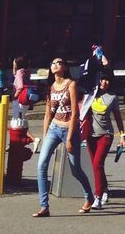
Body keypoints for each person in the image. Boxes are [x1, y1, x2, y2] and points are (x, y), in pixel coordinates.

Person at [32, 56, 95, 217]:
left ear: (65, 67)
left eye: (59, 63)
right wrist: (45, 136)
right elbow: (47, 114)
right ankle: (44, 206)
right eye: (53, 63)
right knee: (41, 165)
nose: (55, 65)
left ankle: (89, 197)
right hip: (54, 128)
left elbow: (75, 113)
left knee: (75, 169)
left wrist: (69, 139)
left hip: (70, 130)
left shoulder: (71, 84)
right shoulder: (50, 87)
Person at [83, 69, 125, 208]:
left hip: (105, 135)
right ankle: (105, 189)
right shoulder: (90, 94)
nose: (104, 82)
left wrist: (122, 135)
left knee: (97, 164)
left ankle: (97, 196)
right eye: (102, 79)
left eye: (107, 79)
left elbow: (118, 117)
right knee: (97, 166)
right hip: (90, 135)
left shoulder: (112, 97)